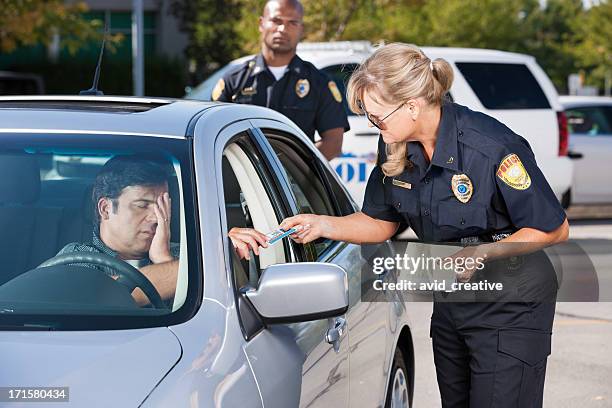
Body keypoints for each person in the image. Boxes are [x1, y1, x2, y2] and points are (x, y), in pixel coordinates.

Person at [280, 43, 569, 408]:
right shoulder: (398, 146)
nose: (374, 127)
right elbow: (380, 221)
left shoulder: (491, 147)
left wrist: (485, 251)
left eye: (377, 117)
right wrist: (322, 224)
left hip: (512, 304)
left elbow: (554, 227)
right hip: (454, 301)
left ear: (412, 106)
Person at [57, 155, 268, 307]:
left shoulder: (185, 255)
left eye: (161, 206)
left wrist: (163, 258)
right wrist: (219, 254)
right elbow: (102, 298)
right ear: (105, 208)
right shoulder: (77, 257)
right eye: (142, 205)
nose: (155, 218)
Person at [211, 0, 349, 160]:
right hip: (241, 180)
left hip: (293, 183)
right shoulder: (234, 81)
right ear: (261, 24)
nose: (283, 29)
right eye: (276, 21)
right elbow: (213, 135)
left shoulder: (319, 83)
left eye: (292, 22)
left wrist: (293, 169)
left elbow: (333, 143)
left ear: (301, 29)